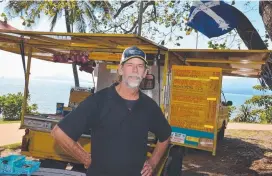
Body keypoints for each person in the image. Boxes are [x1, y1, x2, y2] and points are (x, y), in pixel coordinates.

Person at [51, 46, 172, 176]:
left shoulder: (149, 106)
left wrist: (153, 163)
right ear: (121, 69)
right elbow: (59, 133)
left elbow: (165, 136)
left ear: (145, 73)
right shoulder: (99, 101)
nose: (135, 70)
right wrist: (85, 158)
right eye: (130, 65)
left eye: (140, 66)